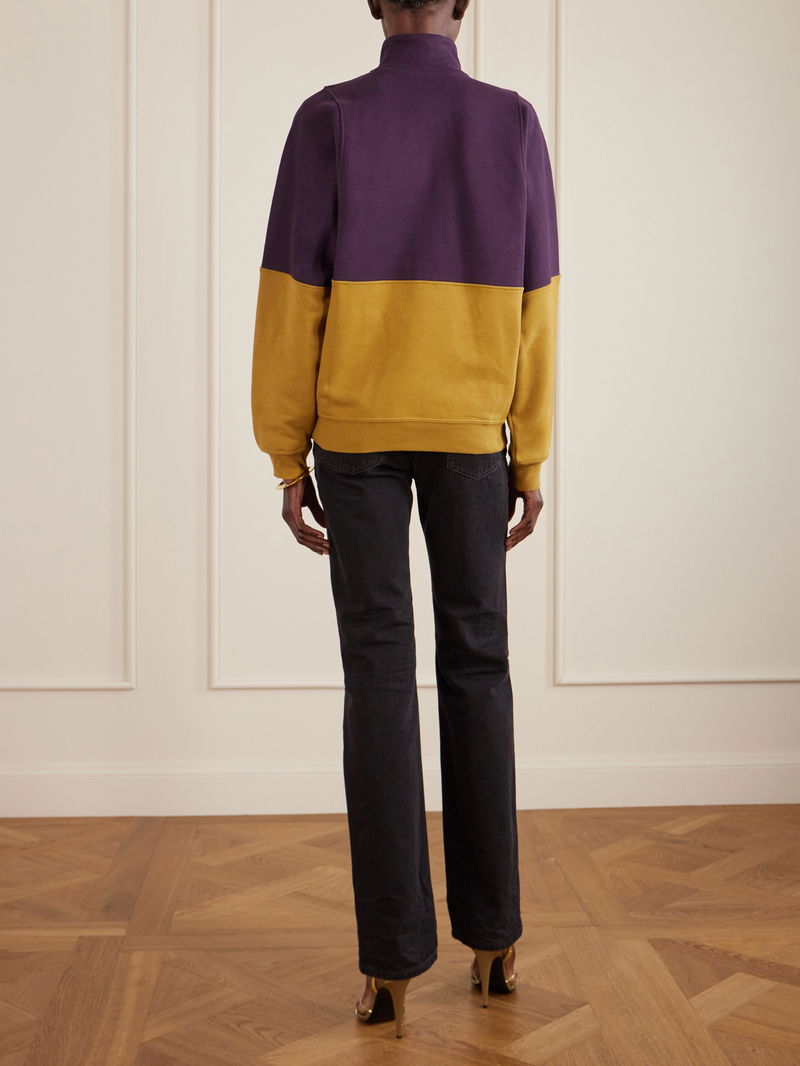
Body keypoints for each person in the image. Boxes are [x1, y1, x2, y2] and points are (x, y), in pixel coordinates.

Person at [250, 0, 559, 1039]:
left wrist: (286, 452)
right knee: (479, 664)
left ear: (375, 2)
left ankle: (389, 966)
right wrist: (528, 449)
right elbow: (539, 301)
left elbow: (291, 295)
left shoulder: (329, 118)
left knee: (378, 674)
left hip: (356, 432)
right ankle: (496, 941)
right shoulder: (510, 122)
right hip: (472, 433)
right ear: (462, 5)